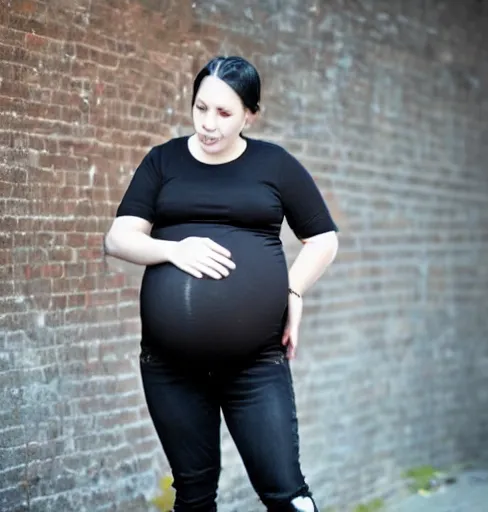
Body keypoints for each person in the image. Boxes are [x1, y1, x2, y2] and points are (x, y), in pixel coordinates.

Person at [104, 55, 339, 512]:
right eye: (201, 108)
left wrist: (291, 290)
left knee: (288, 495)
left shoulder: (274, 165)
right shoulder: (163, 160)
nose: (209, 124)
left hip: (255, 365)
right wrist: (174, 249)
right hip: (171, 368)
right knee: (193, 496)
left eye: (225, 113)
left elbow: (322, 239)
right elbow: (118, 238)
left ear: (250, 113)